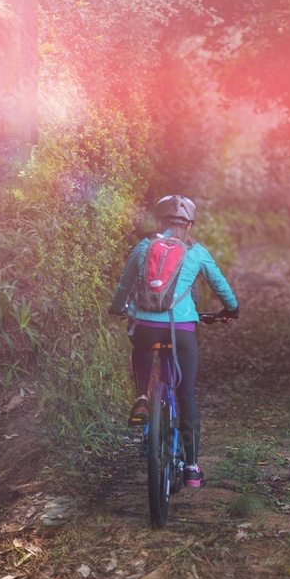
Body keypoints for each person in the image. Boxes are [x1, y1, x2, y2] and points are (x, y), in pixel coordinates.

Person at [109, 195, 239, 487]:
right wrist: (231, 309)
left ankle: (143, 397)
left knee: (142, 344)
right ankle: (192, 468)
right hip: (181, 331)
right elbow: (220, 285)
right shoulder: (197, 252)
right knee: (186, 395)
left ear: (158, 222)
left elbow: (124, 284)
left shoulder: (144, 247)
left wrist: (118, 308)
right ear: (189, 224)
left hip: (145, 327)